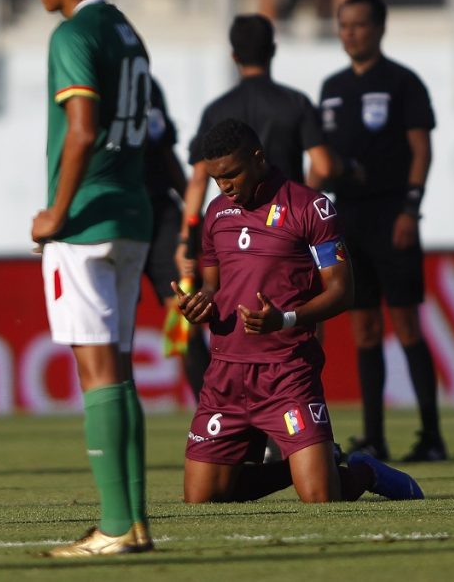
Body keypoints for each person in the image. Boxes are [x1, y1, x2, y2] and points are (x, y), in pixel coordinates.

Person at [173, 118, 423, 504]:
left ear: (258, 159)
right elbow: (212, 285)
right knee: (202, 499)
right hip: (226, 374)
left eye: (232, 175)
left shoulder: (311, 207)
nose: (225, 186)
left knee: (321, 499)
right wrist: (200, 303)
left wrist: (286, 319)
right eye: (216, 179)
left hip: (286, 372)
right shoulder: (216, 213)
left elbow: (342, 291)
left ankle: (364, 471)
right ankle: (310, 465)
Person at [25, 0, 154, 557]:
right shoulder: (128, 33)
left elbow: (80, 127)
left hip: (86, 221)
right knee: (120, 370)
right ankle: (134, 521)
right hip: (132, 213)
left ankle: (112, 526)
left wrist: (55, 211)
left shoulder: (73, 33)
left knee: (96, 371)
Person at [177, 13, 335, 457]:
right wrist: (300, 212)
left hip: (235, 237)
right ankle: (299, 432)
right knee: (298, 337)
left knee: (245, 329)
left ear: (233, 55)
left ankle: (288, 441)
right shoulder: (296, 103)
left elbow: (194, 183)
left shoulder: (216, 111)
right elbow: (321, 164)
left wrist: (183, 243)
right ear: (273, 50)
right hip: (291, 238)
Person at [317, 0, 447, 462]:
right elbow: (322, 159)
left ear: (380, 28)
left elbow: (421, 150)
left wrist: (410, 210)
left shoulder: (402, 82)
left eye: (359, 25)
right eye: (344, 25)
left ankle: (431, 435)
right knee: (364, 327)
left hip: (392, 215)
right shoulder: (331, 88)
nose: (350, 33)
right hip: (347, 217)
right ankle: (374, 436)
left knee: (407, 323)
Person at [143, 78, 212, 398]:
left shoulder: (147, 84)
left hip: (161, 213)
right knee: (114, 328)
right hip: (112, 215)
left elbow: (165, 152)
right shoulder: (91, 79)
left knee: (187, 321)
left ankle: (217, 421)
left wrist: (191, 218)